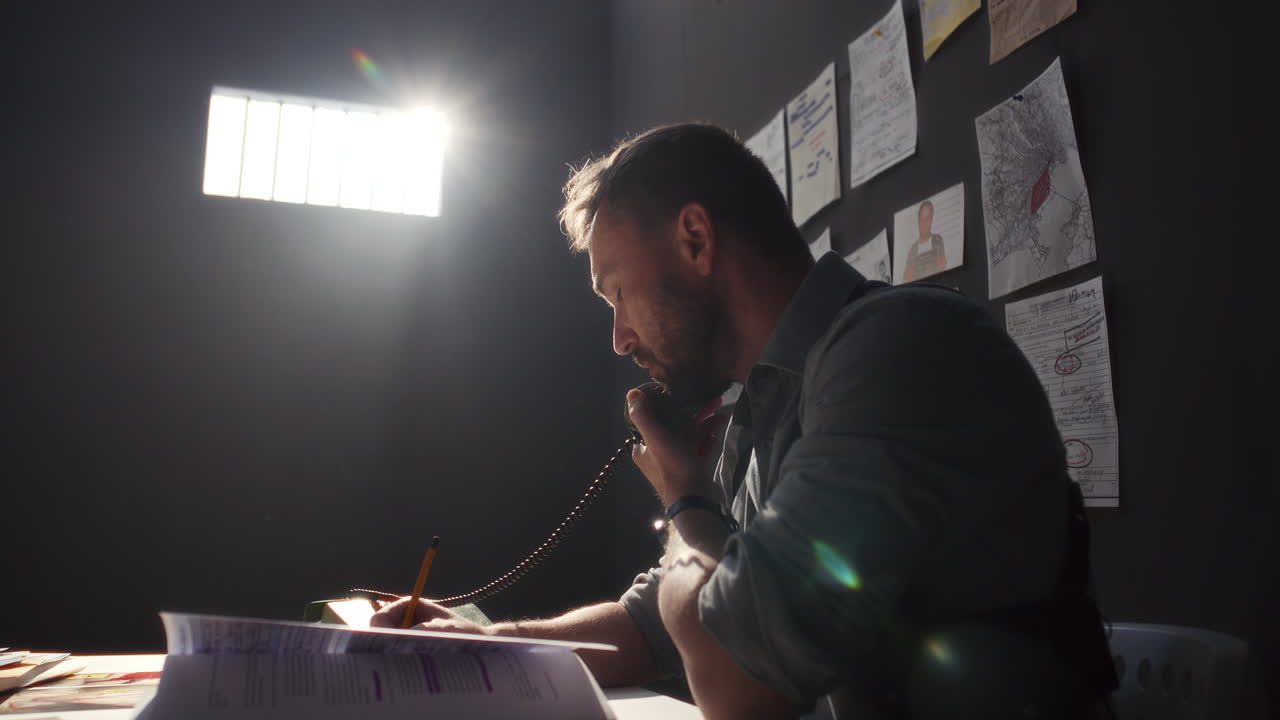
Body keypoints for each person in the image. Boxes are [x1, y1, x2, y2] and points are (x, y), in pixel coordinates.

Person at [372, 123, 1117, 719]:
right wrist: (474, 644)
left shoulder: (894, 349)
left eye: (617, 295)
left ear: (696, 240)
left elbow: (739, 687)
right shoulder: (761, 408)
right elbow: (660, 625)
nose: (620, 338)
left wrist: (687, 501)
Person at [902, 200, 947, 282]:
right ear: (918, 220)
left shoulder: (937, 240)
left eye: (927, 219)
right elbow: (906, 279)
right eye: (921, 219)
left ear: (931, 220)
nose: (924, 223)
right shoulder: (913, 249)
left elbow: (942, 268)